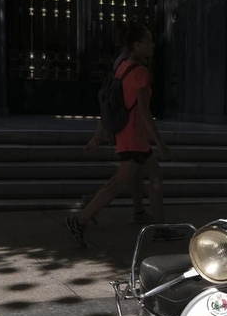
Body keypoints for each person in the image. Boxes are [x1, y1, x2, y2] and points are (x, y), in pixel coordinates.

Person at [67, 24, 173, 247]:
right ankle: (80, 220)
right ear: (137, 45)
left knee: (155, 178)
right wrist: (160, 143)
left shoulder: (122, 66)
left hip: (133, 137)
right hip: (133, 138)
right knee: (119, 183)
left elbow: (112, 104)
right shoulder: (140, 72)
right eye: (148, 41)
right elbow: (144, 111)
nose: (153, 45)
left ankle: (160, 228)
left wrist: (97, 136)